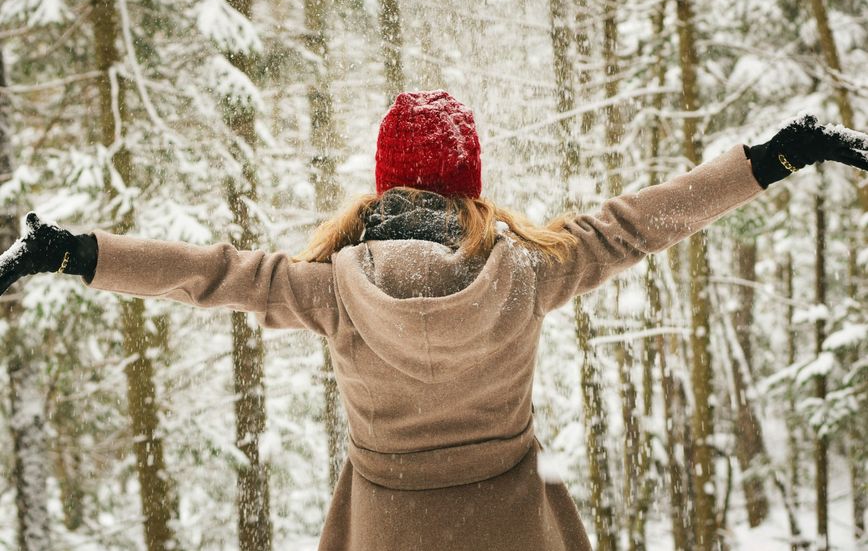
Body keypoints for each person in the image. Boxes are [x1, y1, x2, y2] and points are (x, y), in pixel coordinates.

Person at [1, 90, 866, 551]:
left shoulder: (330, 287)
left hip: (385, 531)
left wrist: (78, 251)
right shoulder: (529, 268)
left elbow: (210, 276)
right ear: (469, 181)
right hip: (515, 529)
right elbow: (638, 222)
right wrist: (772, 158)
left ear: (384, 184)